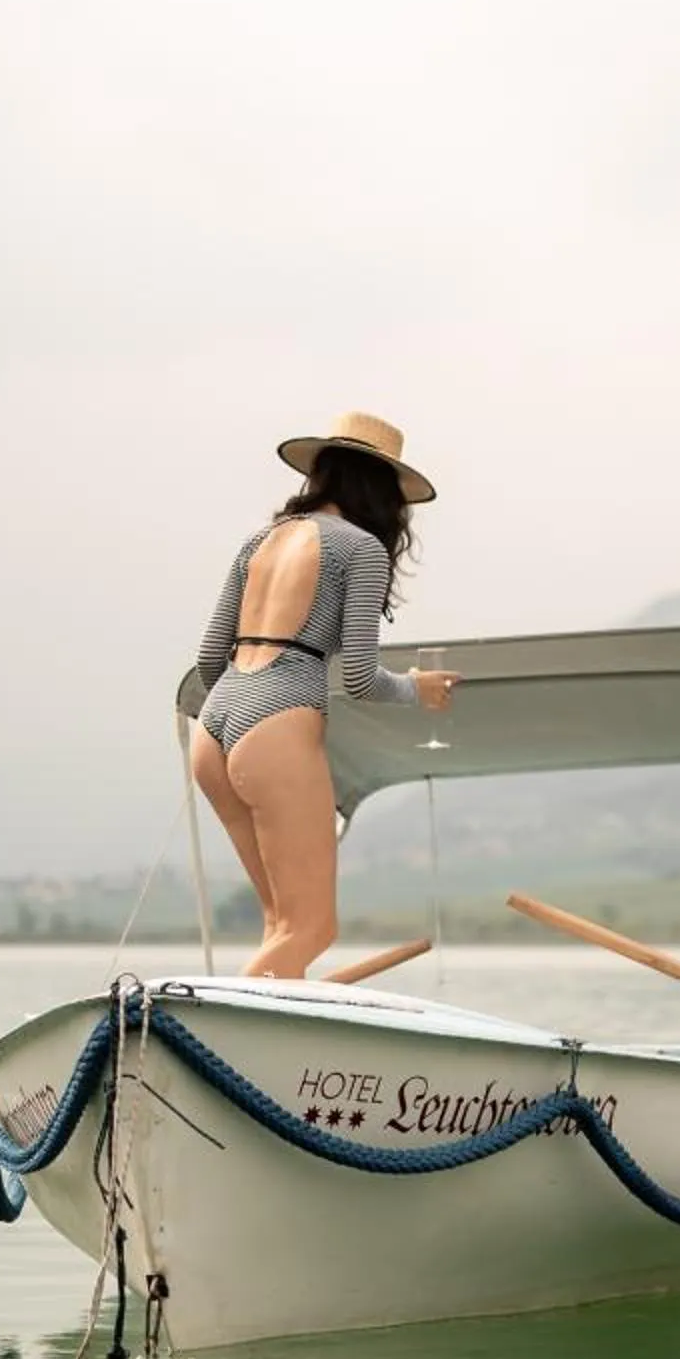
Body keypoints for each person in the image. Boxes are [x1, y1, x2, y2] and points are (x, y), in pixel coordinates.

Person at [191, 413, 458, 977]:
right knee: (313, 928)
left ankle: (264, 1043)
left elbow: (210, 661)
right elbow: (360, 677)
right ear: (384, 490)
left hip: (214, 725)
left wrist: (243, 719)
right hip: (277, 720)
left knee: (280, 923)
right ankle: (214, 1035)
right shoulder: (360, 549)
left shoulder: (259, 541)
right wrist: (419, 691)